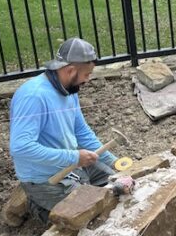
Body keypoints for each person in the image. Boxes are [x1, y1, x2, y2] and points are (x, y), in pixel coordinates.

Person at [9, 37, 123, 223]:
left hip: (73, 166)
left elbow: (81, 131)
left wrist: (111, 161)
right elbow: (20, 147)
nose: (89, 78)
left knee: (119, 184)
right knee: (92, 216)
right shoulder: (33, 97)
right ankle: (36, 205)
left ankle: (78, 187)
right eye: (86, 74)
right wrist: (74, 157)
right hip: (47, 177)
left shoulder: (68, 90)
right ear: (70, 70)